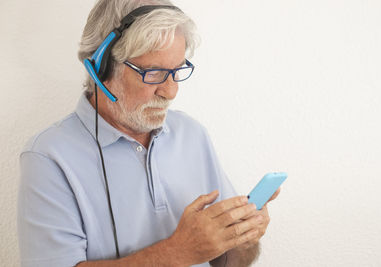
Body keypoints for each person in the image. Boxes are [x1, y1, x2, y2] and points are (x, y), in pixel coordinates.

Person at [18, 0, 280, 266]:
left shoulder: (192, 134)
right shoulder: (48, 156)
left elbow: (229, 261)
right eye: (153, 73)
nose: (170, 91)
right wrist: (178, 252)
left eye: (177, 70)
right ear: (101, 67)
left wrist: (242, 237)